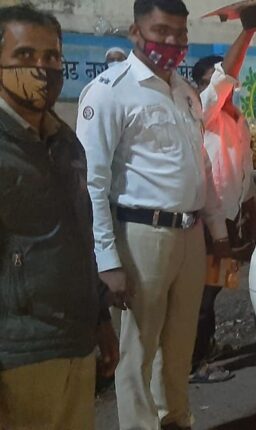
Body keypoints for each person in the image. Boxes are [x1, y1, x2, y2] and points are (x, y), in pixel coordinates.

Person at [76, 0, 231, 428]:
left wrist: (218, 230)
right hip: (141, 236)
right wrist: (107, 261)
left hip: (190, 234)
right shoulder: (109, 91)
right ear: (135, 32)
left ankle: (175, 419)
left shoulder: (184, 92)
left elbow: (201, 166)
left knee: (180, 344)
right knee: (137, 350)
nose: (173, 42)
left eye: (180, 33)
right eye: (161, 31)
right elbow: (92, 183)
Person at [0, 5, 119, 429]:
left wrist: (100, 319)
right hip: (17, 359)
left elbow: (80, 239)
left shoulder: (66, 143)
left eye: (51, 57)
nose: (41, 68)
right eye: (25, 55)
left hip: (74, 345)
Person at [189, 30, 256, 383]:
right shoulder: (204, 111)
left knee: (217, 286)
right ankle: (194, 362)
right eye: (212, 81)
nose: (223, 86)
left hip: (232, 217)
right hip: (210, 219)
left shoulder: (236, 117)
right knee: (203, 293)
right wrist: (249, 29)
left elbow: (242, 171)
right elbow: (223, 77)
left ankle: (207, 348)